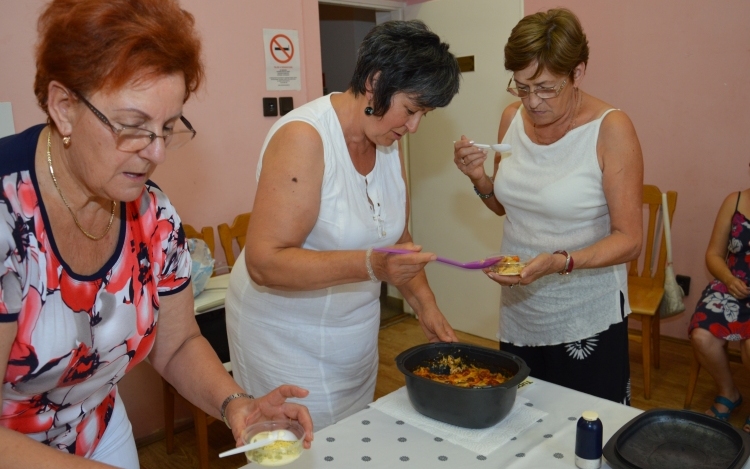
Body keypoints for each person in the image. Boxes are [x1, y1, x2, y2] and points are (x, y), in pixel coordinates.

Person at [0, 1, 312, 467]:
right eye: (133, 127)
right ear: (63, 107)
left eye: (167, 128)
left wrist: (236, 405)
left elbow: (178, 343)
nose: (158, 153)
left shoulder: (154, 214)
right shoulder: (9, 216)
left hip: (97, 429)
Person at [226, 20, 461, 429]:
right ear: (375, 81)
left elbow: (396, 238)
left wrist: (427, 307)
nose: (414, 127)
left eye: (423, 114)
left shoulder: (387, 141)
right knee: (301, 450)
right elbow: (264, 262)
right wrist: (371, 266)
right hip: (283, 341)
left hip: (351, 343)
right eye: (410, 109)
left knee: (352, 444)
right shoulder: (306, 138)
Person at [453, 8, 643, 404]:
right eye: (521, 87)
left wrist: (561, 261)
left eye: (545, 88)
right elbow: (506, 209)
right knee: (524, 425)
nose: (532, 101)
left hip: (585, 315)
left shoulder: (611, 129)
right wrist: (479, 179)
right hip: (522, 308)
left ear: (577, 73)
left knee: (587, 429)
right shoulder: (512, 119)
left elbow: (629, 240)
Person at [689, 187, 750, 431]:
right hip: (732, 284)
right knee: (702, 336)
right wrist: (728, 278)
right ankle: (729, 393)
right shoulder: (734, 201)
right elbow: (713, 254)